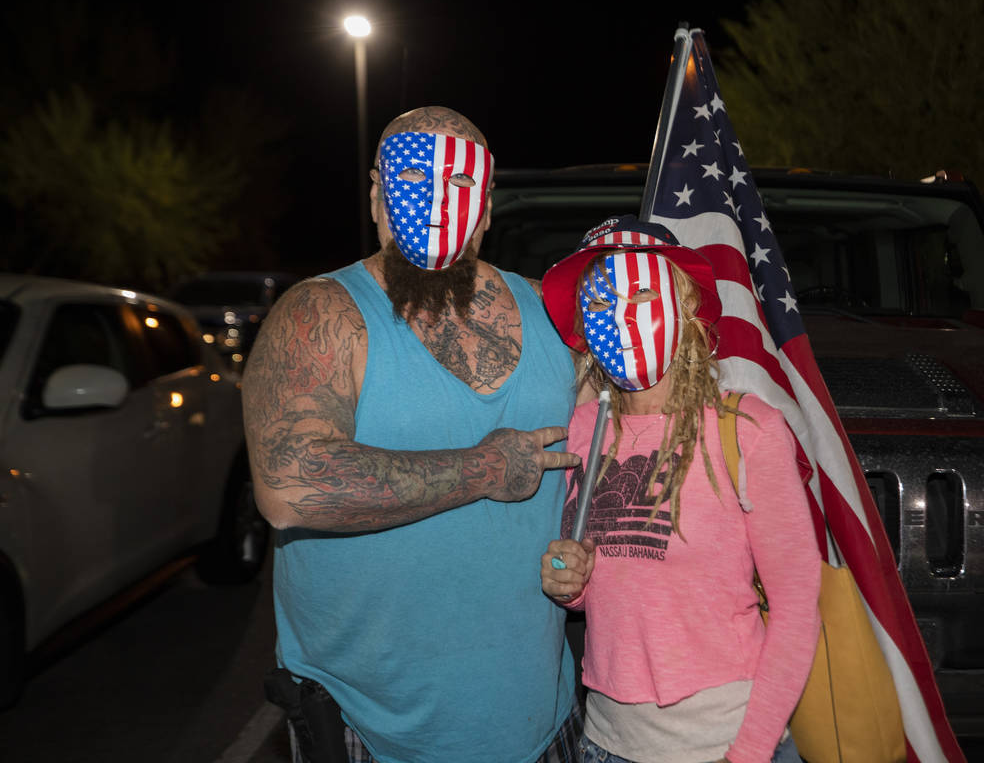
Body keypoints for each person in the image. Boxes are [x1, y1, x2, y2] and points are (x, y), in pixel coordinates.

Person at [242, 106, 583, 763]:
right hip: (372, 728)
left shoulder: (554, 315)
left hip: (543, 718)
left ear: (487, 209)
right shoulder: (321, 313)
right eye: (412, 176)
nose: (433, 199)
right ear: (376, 194)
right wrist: (484, 470)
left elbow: (630, 440)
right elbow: (289, 484)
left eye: (458, 185)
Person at [538, 216, 823, 763]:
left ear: (685, 305)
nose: (618, 316)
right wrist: (570, 583)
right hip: (605, 741)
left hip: (723, 742)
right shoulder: (581, 431)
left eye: (642, 292)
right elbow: (609, 589)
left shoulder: (745, 430)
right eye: (598, 304)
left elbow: (795, 609)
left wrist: (749, 752)